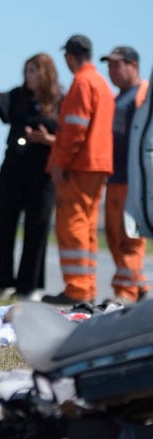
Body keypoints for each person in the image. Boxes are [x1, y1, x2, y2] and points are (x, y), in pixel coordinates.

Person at [0, 53, 61, 300]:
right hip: (13, 169)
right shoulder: (20, 95)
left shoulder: (59, 101)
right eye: (26, 71)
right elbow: (2, 99)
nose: (28, 76)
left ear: (44, 73)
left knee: (37, 229)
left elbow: (70, 139)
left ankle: (27, 287)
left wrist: (46, 139)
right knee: (3, 226)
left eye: (32, 71)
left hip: (41, 175)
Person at [42, 35, 115, 305]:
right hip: (97, 165)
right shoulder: (101, 84)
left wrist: (60, 162)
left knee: (72, 225)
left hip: (80, 165)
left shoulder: (82, 83)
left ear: (70, 56)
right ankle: (86, 286)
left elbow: (74, 129)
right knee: (86, 227)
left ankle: (77, 289)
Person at [100, 46, 150, 304]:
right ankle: (140, 287)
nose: (111, 71)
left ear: (133, 65)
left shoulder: (143, 93)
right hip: (115, 176)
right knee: (114, 236)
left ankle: (125, 292)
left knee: (131, 237)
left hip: (135, 179)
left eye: (116, 65)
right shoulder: (117, 98)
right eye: (108, 65)